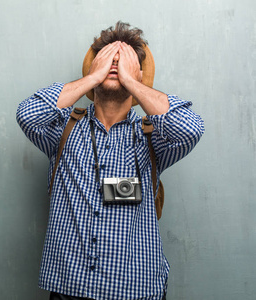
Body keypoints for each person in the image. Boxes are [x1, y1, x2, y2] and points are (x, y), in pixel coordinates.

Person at [16, 21, 204, 300]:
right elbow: (27, 114)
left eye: (125, 60)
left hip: (136, 290)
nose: (115, 64)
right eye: (108, 59)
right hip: (71, 288)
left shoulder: (153, 139)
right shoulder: (62, 131)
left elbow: (190, 129)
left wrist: (132, 82)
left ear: (141, 74)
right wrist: (91, 79)